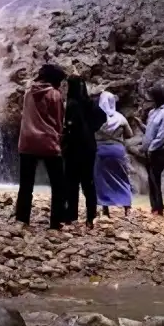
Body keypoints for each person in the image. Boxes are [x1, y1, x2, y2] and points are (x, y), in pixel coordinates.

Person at [15, 63, 67, 229]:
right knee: (58, 185)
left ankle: (22, 220)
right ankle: (56, 221)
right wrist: (59, 136)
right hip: (48, 143)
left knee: (26, 185)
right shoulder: (54, 94)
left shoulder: (28, 93)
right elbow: (58, 121)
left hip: (27, 142)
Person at [61, 76, 98, 226]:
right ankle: (91, 216)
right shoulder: (91, 104)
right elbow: (101, 118)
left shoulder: (71, 104)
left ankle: (71, 214)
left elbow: (70, 126)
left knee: (72, 181)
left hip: (74, 147)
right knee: (88, 182)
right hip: (90, 147)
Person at [93, 90, 133, 218]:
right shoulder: (120, 117)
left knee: (101, 179)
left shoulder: (96, 117)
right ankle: (127, 208)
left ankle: (105, 209)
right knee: (122, 177)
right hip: (117, 150)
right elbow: (129, 134)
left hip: (100, 150)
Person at [143, 83, 164, 217]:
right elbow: (151, 132)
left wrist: (151, 148)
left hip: (160, 149)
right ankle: (155, 206)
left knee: (155, 177)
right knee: (152, 178)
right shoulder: (154, 112)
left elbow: (163, 134)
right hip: (151, 149)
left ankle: (158, 207)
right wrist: (141, 125)